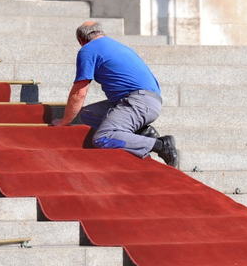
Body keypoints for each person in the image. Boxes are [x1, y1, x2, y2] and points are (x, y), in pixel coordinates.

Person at [51, 21, 179, 168]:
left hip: (138, 101)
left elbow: (79, 92)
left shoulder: (88, 50)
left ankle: (160, 145)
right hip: (149, 101)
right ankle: (143, 132)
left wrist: (64, 122)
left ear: (81, 40)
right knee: (88, 114)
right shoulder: (116, 45)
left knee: (102, 137)